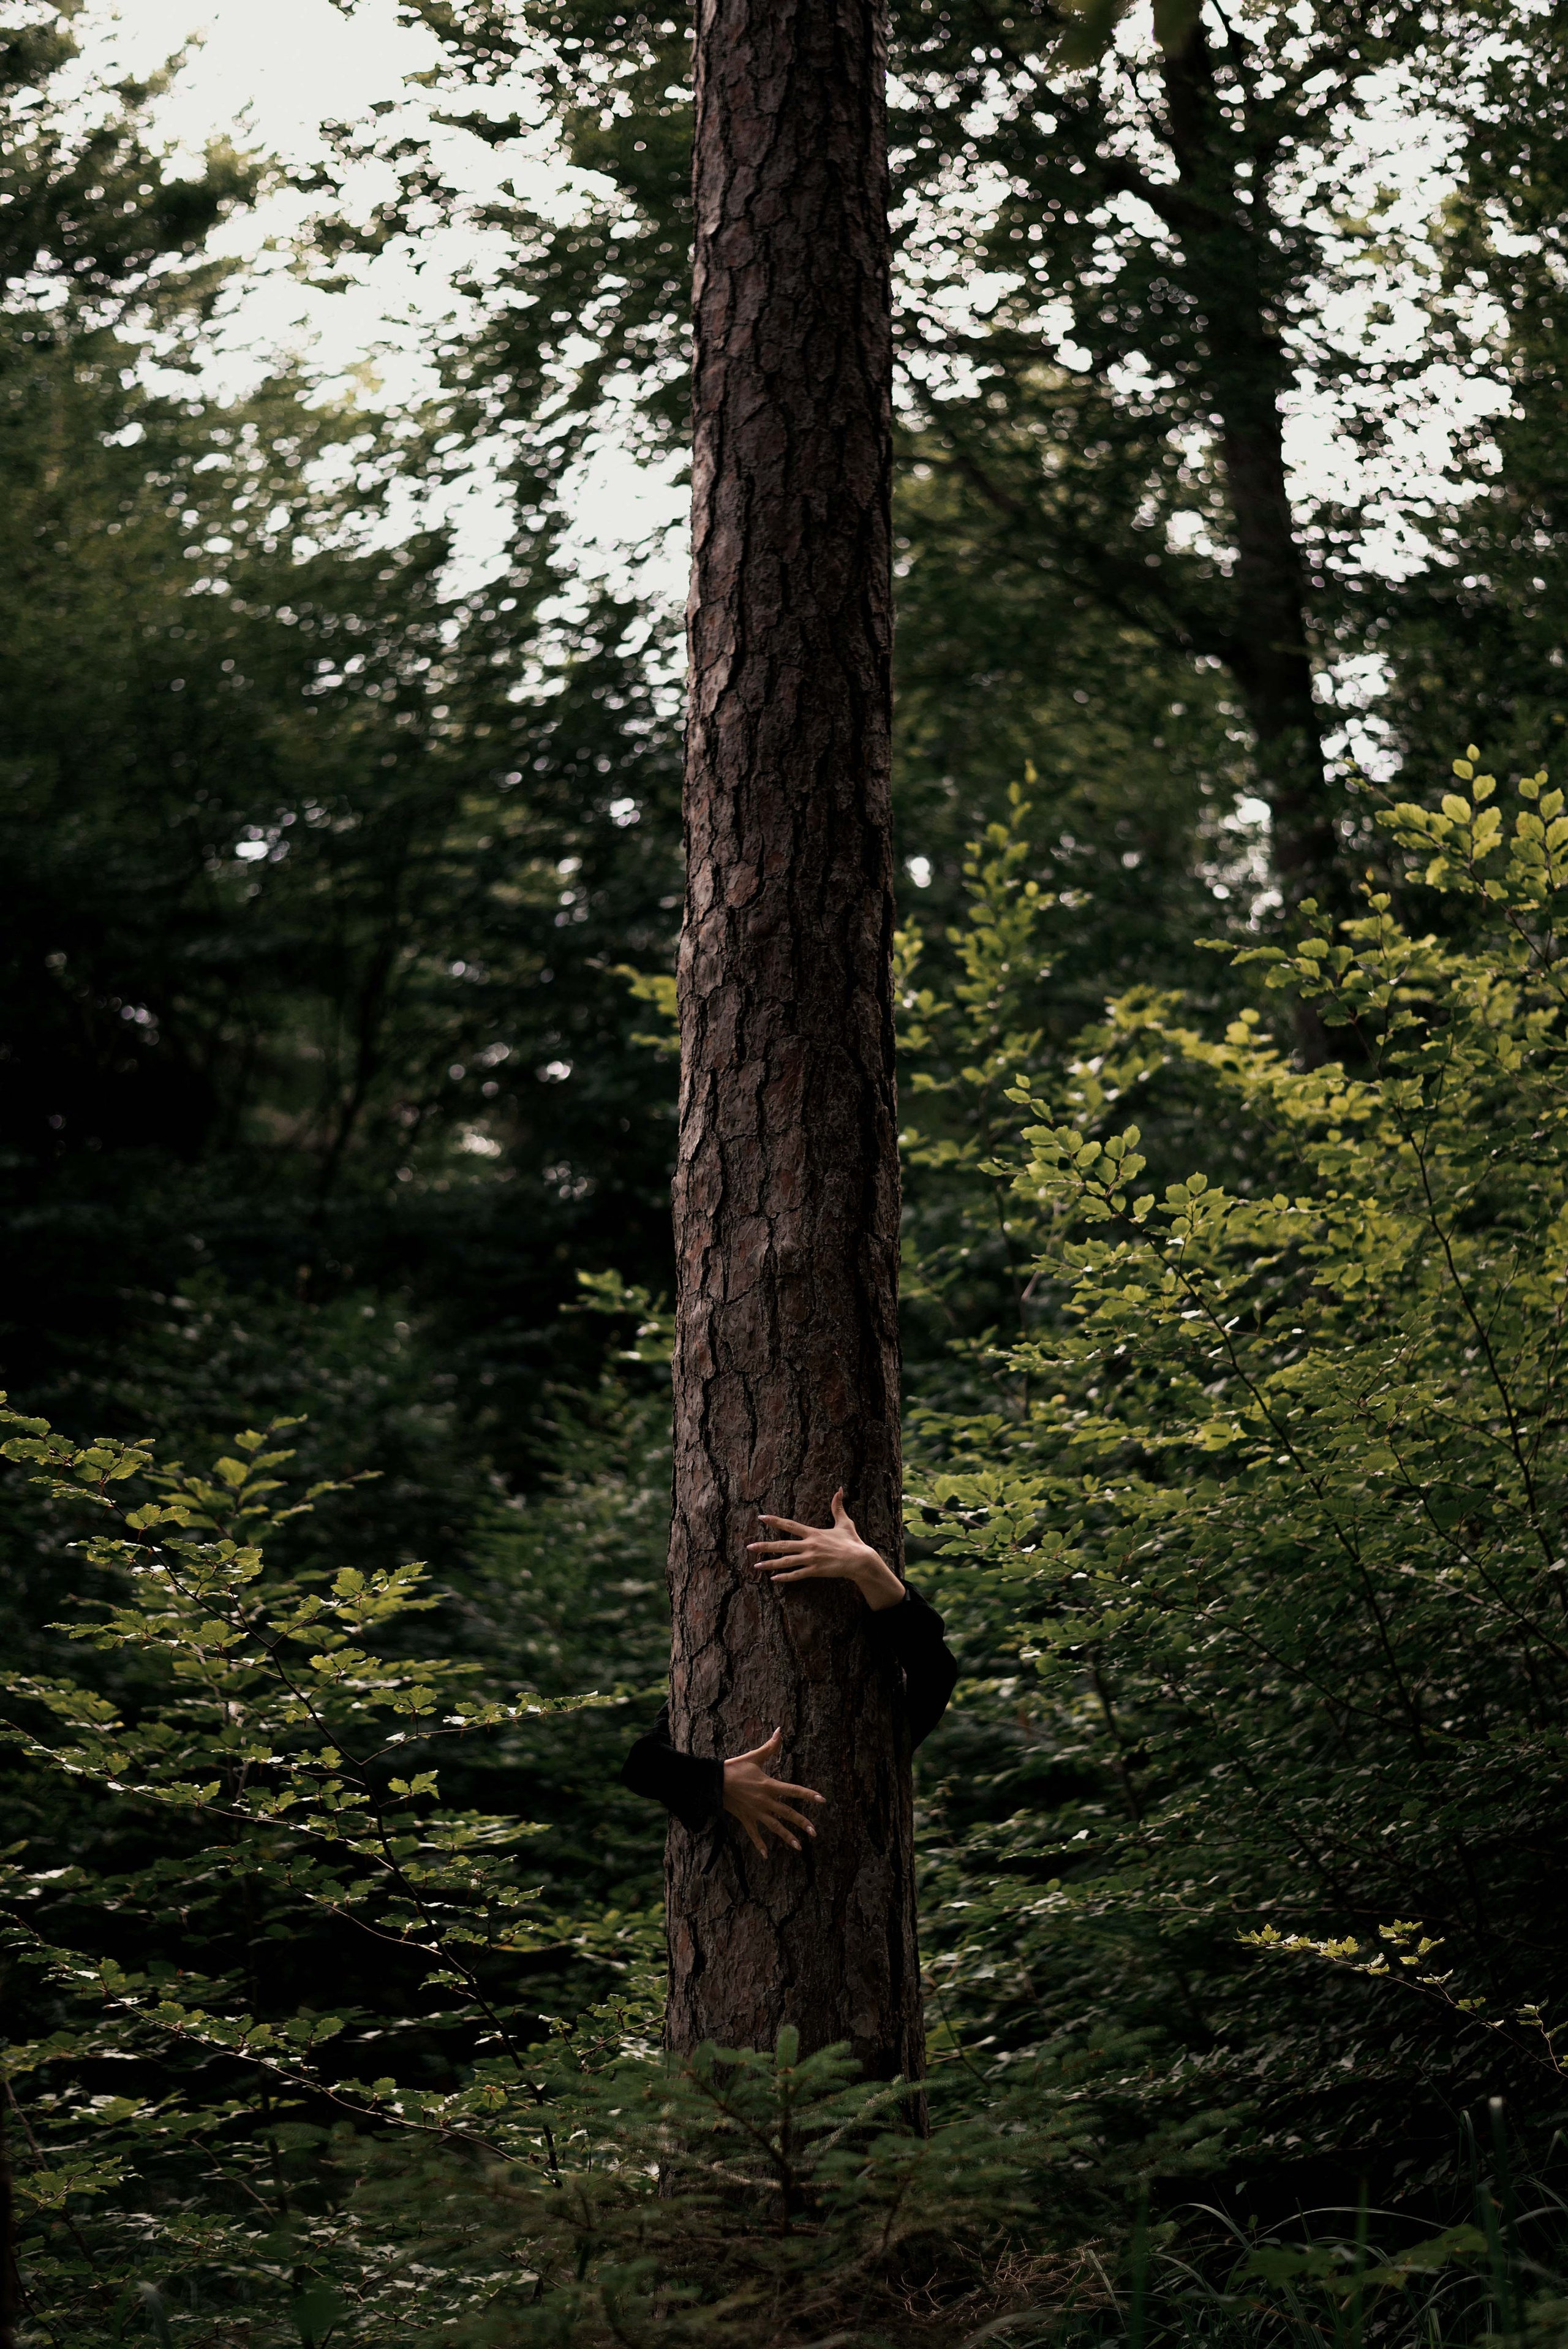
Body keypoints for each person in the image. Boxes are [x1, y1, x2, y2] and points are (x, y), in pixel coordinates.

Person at [620, 1491, 957, 1855]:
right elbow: (642, 1765)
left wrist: (868, 1567)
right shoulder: (704, 1688)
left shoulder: (884, 1726)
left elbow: (934, 1672)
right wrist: (716, 1782)